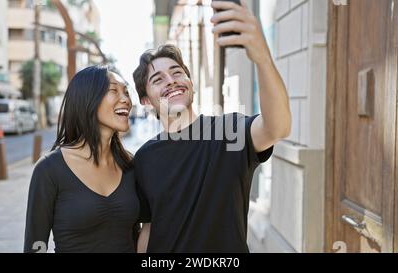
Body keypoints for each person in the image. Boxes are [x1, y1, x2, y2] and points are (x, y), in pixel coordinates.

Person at [132, 0, 291, 253]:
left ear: (190, 82)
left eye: (177, 72)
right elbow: (149, 227)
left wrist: (262, 58)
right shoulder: (143, 159)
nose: (171, 81)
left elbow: (277, 128)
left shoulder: (229, 132)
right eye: (158, 79)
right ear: (146, 100)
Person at [24, 65, 145, 253]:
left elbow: (136, 234)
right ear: (88, 99)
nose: (126, 100)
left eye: (126, 92)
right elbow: (34, 246)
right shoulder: (49, 169)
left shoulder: (129, 163)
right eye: (114, 90)